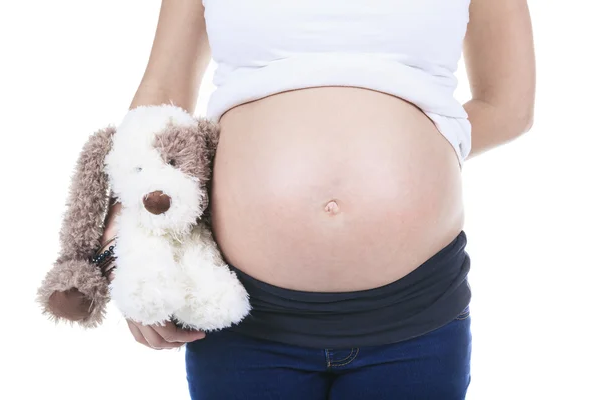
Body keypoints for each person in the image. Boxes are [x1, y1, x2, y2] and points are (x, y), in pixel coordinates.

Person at [97, 0, 535, 398]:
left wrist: (426, 147)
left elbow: (508, 105)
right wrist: (127, 247)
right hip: (243, 313)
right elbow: (161, 92)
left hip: (414, 314)